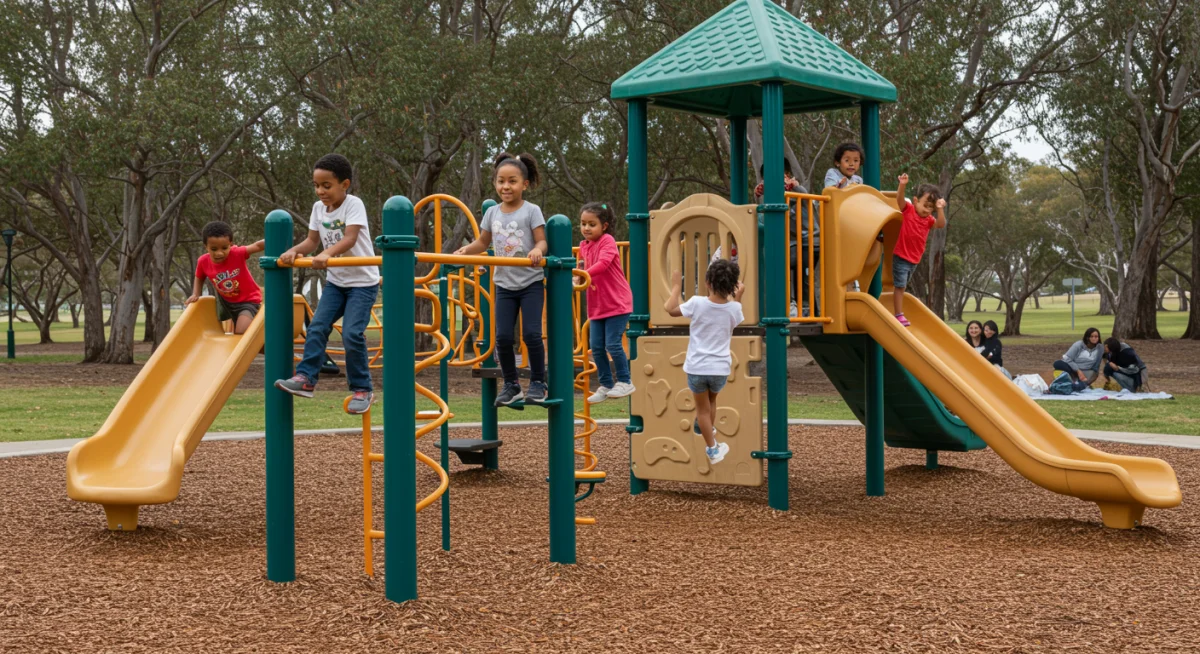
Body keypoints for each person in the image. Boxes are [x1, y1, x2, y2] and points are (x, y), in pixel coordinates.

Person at [273, 154, 380, 415]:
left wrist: (327, 254)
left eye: (326, 185)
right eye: (316, 185)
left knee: (351, 333)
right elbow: (311, 241)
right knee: (317, 327)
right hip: (336, 283)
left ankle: (362, 389)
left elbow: (350, 238)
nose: (320, 191)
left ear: (345, 184)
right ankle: (306, 379)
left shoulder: (353, 204)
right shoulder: (318, 209)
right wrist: (294, 251)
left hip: (362, 283)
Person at [454, 152, 548, 407]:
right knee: (503, 338)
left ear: (524, 184)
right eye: (501, 181)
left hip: (530, 283)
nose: (506, 186)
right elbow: (483, 242)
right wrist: (466, 250)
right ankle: (511, 384)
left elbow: (541, 240)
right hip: (504, 284)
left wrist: (537, 249)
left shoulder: (531, 210)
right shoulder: (492, 212)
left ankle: (538, 382)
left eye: (512, 181)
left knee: (531, 334)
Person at [663, 259, 745, 465]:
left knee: (702, 410)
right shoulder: (734, 308)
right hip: (720, 369)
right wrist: (739, 295)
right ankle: (704, 428)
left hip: (697, 367)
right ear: (733, 285)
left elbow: (670, 309)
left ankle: (712, 449)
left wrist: (676, 286)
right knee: (711, 403)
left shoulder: (697, 303)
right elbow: (735, 314)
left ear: (707, 283)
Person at [576, 202, 635, 404]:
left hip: (617, 302)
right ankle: (606, 384)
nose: (586, 228)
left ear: (605, 226)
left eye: (592, 224)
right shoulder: (583, 246)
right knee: (596, 347)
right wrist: (576, 278)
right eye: (583, 223)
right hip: (597, 305)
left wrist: (583, 274)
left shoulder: (607, 241)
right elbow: (581, 267)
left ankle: (625, 381)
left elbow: (602, 264)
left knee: (612, 344)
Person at [751, 159, 812, 317]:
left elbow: (805, 198)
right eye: (767, 178)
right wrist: (757, 194)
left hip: (799, 240)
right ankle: (781, 304)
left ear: (787, 175)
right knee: (772, 268)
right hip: (777, 240)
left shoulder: (793, 190)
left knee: (797, 272)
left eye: (780, 176)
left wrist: (795, 186)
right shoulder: (768, 193)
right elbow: (760, 211)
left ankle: (801, 306)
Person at [187, 221, 264, 335]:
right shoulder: (203, 261)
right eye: (214, 249)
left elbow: (257, 246)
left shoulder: (237, 253)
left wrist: (275, 238)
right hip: (227, 304)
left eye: (224, 248)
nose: (219, 253)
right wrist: (196, 294)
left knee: (241, 331)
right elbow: (199, 277)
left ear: (230, 244)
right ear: (206, 246)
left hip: (248, 301)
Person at [891, 174, 946, 325]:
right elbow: (899, 200)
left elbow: (941, 224)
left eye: (931, 207)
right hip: (901, 256)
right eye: (925, 205)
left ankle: (898, 311)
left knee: (903, 285)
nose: (927, 210)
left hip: (914, 259)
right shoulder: (908, 210)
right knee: (900, 286)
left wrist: (940, 209)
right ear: (915, 200)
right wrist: (902, 185)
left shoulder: (929, 220)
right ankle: (898, 314)